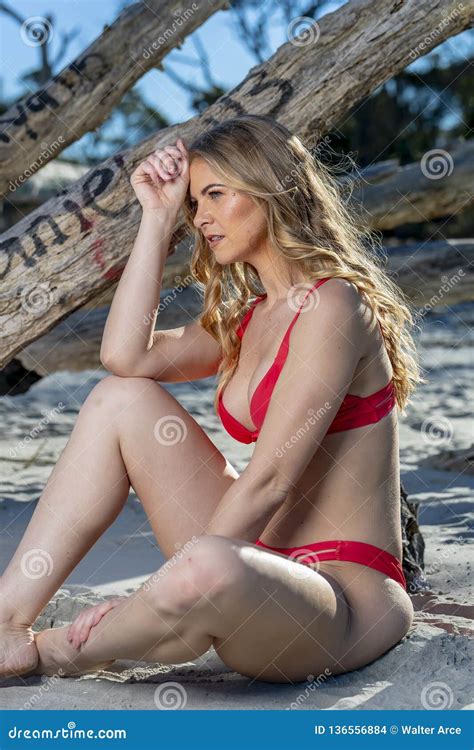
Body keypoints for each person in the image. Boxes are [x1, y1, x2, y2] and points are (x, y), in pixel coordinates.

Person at [0, 115, 423, 684]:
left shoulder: (334, 304)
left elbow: (270, 480)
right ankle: (7, 622)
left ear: (271, 186)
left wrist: (158, 590)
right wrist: (155, 218)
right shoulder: (250, 320)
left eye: (216, 195)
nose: (200, 218)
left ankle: (58, 651)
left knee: (205, 562)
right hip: (250, 559)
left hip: (337, 601)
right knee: (118, 399)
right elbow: (127, 357)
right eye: (195, 202)